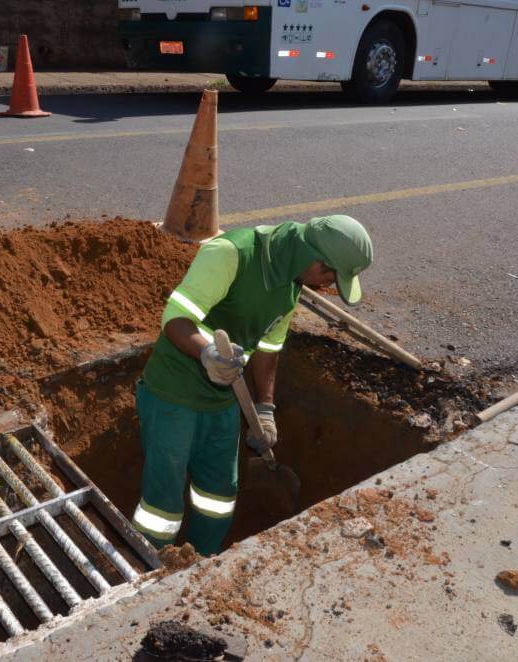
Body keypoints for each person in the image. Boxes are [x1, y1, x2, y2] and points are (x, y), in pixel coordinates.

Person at [132, 215, 374, 555]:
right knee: (163, 504)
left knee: (218, 496)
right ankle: (150, 567)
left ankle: (203, 560)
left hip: (224, 399)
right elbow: (176, 318)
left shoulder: (292, 283)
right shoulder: (231, 253)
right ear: (313, 258)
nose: (327, 285)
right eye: (330, 275)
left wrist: (265, 409)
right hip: (173, 394)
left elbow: (267, 351)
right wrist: (208, 354)